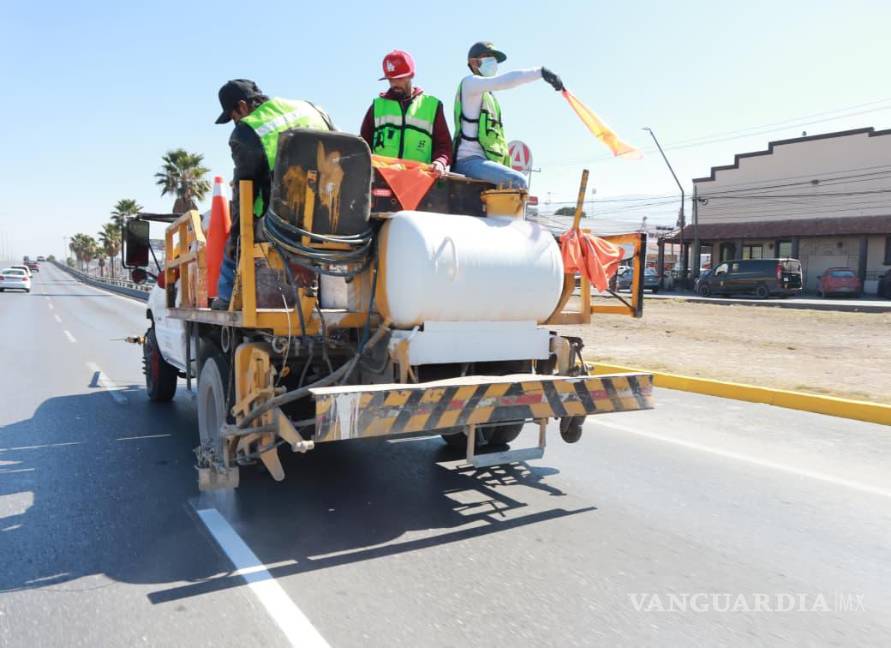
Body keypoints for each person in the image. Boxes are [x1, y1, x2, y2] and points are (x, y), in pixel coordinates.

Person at [211, 79, 334, 310]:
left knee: (235, 242)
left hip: (285, 224)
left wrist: (236, 236)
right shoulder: (312, 108)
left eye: (233, 116)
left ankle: (226, 301)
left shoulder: (247, 131)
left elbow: (244, 191)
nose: (236, 122)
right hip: (333, 219)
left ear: (242, 107)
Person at [453, 41, 563, 189]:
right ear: (473, 63)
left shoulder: (489, 97)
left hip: (484, 162)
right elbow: (503, 81)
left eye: (494, 58)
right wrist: (540, 72)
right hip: (468, 161)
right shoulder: (470, 83)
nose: (493, 62)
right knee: (518, 182)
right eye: (488, 56)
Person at [360, 50, 451, 174]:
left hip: (418, 183)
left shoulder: (432, 106)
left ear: (411, 75)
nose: (395, 83)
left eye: (400, 78)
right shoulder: (377, 106)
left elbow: (444, 146)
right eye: (391, 79)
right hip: (381, 180)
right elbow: (363, 146)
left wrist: (440, 161)